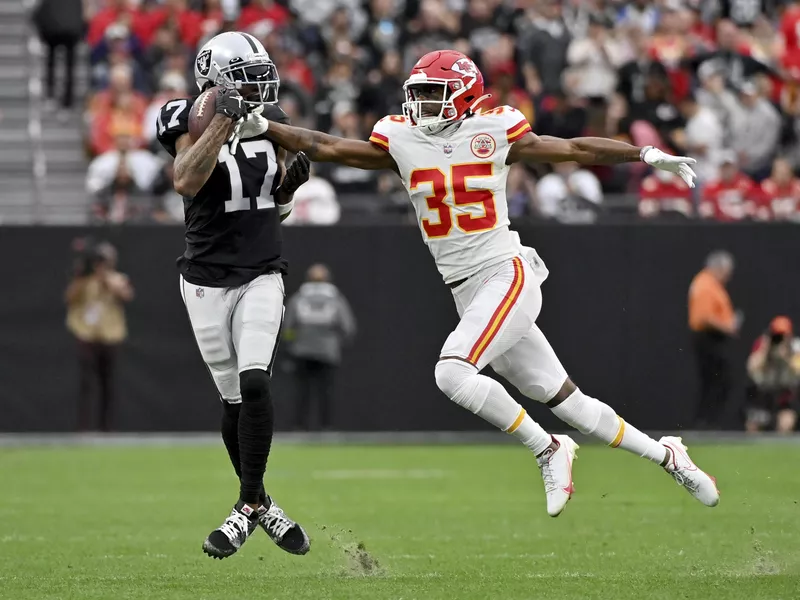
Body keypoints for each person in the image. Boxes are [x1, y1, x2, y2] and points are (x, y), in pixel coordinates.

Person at [250, 49, 719, 516]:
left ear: (466, 94)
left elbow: (575, 148)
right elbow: (325, 144)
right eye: (419, 93)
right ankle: (668, 455)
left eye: (435, 93)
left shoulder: (494, 130)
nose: (423, 104)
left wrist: (644, 153)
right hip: (466, 289)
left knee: (451, 370)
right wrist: (262, 125)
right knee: (566, 401)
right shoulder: (401, 138)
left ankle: (546, 447)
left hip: (504, 272)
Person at [156, 32, 310, 560]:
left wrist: (287, 191)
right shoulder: (186, 114)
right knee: (233, 400)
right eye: (245, 76)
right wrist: (223, 117)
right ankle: (263, 502)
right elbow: (187, 178)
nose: (259, 86)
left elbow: (273, 207)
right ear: (216, 79)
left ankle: (244, 506)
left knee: (256, 383)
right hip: (203, 279)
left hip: (262, 271)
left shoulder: (272, 119)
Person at [65, 241, 133, 432]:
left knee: (108, 383)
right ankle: (83, 427)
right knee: (86, 383)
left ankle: (107, 428)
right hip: (87, 335)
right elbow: (70, 298)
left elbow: (126, 295)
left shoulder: (117, 278)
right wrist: (80, 275)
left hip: (110, 336)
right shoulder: (84, 280)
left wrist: (104, 277)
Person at [284, 264, 356, 430]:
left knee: (302, 391)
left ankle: (299, 426)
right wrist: (339, 341)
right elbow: (348, 326)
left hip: (301, 351)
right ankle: (326, 426)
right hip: (328, 352)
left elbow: (288, 327)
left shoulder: (299, 298)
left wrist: (290, 345)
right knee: (326, 391)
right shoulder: (336, 298)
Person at [688, 251, 740, 429]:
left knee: (715, 381)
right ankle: (706, 424)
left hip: (711, 339)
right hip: (708, 338)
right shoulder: (705, 285)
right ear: (718, 268)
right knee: (716, 380)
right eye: (727, 271)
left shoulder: (709, 284)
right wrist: (728, 327)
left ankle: (708, 422)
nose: (728, 276)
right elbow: (705, 317)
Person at [745, 317, 800, 434]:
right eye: (777, 335)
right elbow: (751, 368)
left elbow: (797, 372)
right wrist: (765, 351)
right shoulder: (762, 344)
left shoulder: (796, 347)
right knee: (753, 426)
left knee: (786, 423)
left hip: (784, 394)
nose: (779, 339)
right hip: (763, 393)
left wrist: (787, 356)